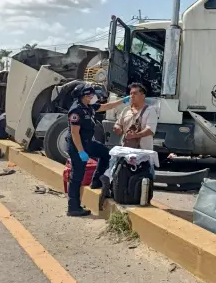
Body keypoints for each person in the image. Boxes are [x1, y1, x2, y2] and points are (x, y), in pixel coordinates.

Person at [66, 83, 128, 217]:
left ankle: (97, 181)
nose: (93, 97)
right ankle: (73, 207)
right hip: (78, 146)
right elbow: (74, 134)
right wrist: (81, 152)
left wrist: (123, 101)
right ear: (84, 96)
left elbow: (106, 106)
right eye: (90, 95)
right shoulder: (76, 111)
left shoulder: (88, 107)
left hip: (89, 143)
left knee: (106, 154)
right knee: (77, 176)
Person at [113, 83, 158, 151]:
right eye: (131, 93)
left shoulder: (150, 110)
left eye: (135, 93)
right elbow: (118, 124)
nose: (132, 96)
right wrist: (117, 128)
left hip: (143, 152)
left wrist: (136, 135)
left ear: (143, 96)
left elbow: (150, 130)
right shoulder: (126, 110)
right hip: (126, 150)